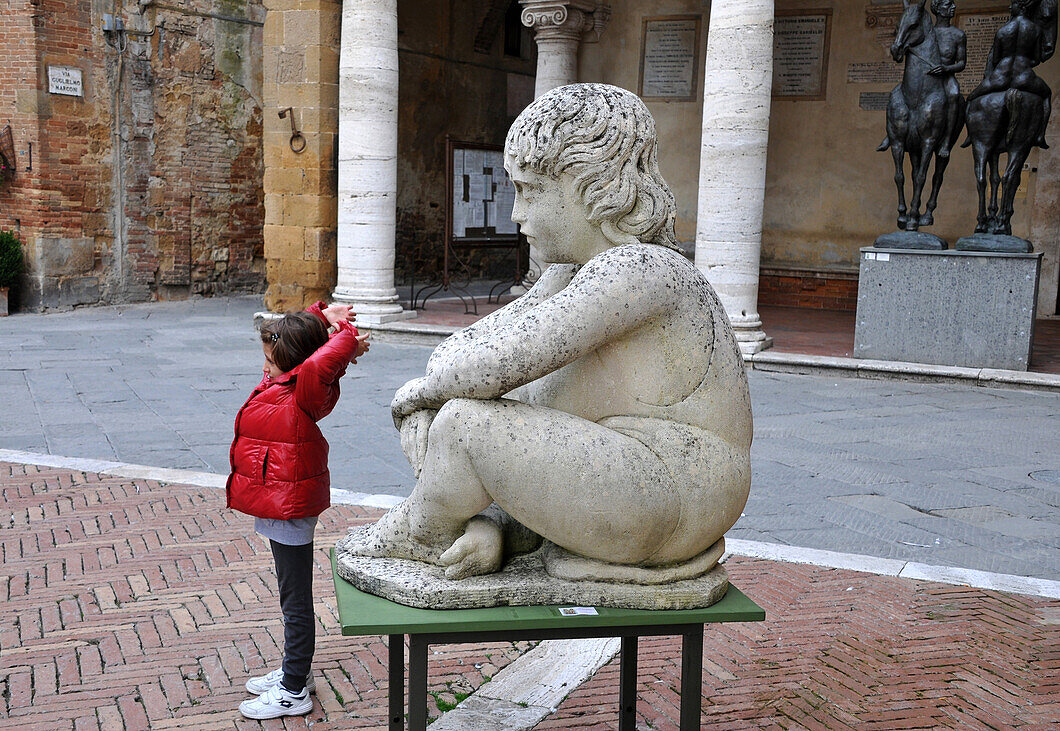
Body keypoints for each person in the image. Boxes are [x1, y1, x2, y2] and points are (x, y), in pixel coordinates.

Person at [342, 84, 752, 586]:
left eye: (528, 190)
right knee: (492, 405)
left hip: (675, 494)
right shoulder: (570, 274)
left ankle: (423, 533)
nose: (516, 214)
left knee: (467, 425)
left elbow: (476, 368)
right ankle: (491, 529)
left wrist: (417, 398)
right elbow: (469, 359)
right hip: (632, 487)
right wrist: (493, 515)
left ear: (587, 184)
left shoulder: (640, 269)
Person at [228, 301, 369, 720]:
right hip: (278, 501)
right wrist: (320, 316)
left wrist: (341, 334)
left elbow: (317, 359)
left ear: (291, 362)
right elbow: (300, 341)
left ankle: (293, 691)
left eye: (270, 360)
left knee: (295, 601)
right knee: (291, 596)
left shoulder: (305, 385)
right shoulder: (285, 378)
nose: (264, 367)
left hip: (289, 505)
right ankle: (297, 672)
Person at [967, 0, 1053, 147]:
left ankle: (970, 135)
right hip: (1024, 76)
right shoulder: (1035, 30)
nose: (1009, 7)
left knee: (970, 98)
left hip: (1000, 76)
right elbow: (1037, 59)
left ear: (1020, 6)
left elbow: (995, 59)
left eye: (1012, 4)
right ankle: (1040, 135)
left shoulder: (1003, 30)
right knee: (1047, 95)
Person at [928, 0, 968, 155]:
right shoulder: (928, 32)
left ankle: (946, 141)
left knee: (954, 95)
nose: (953, 7)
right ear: (937, 9)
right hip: (928, 76)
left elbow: (961, 63)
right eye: (948, 5)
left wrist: (946, 69)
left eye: (953, 4)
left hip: (946, 77)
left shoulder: (958, 35)